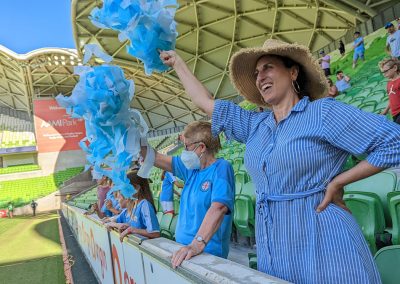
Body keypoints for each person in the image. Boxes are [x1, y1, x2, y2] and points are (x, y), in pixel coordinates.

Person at [159, 39, 400, 283]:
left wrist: (337, 182)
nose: (260, 76)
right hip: (275, 248)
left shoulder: (322, 113)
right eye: (256, 73)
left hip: (324, 241)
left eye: (268, 67)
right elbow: (206, 103)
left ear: (293, 72)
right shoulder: (256, 125)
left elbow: (394, 141)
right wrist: (177, 62)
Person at [140, 121, 234, 269]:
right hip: (185, 251)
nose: (184, 152)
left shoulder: (221, 168)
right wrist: (130, 135)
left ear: (201, 147)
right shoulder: (191, 170)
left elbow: (219, 207)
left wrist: (197, 244)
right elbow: (155, 157)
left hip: (207, 255)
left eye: (187, 146)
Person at [105, 170, 160, 241]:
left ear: (137, 188)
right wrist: (116, 225)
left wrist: (131, 230)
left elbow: (155, 233)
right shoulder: (132, 205)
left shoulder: (144, 205)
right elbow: (114, 221)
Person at [379, 58, 400, 124]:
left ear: (395, 68)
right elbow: (391, 99)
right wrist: (386, 110)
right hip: (394, 114)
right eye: (382, 72)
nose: (384, 74)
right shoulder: (389, 83)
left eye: (386, 71)